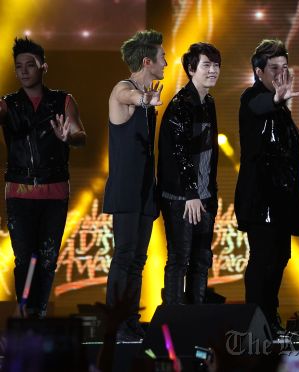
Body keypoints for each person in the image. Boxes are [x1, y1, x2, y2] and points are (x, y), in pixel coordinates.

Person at [0, 37, 86, 318]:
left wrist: (68, 137)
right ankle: (26, 314)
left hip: (54, 193)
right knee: (25, 261)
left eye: (30, 65)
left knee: (47, 260)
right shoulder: (7, 104)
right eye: (19, 67)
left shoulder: (63, 100)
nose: (24, 71)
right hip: (19, 193)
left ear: (43, 66)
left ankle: (40, 313)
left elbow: (80, 136)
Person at [234, 39, 299, 340]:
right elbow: (259, 105)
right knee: (263, 258)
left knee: (280, 257)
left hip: (281, 196)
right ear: (259, 70)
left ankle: (269, 318)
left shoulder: (282, 108)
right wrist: (276, 100)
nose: (281, 74)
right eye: (274, 68)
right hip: (260, 195)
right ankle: (257, 321)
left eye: (284, 68)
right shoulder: (252, 97)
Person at [103, 29, 166, 341]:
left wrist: (149, 102)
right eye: (162, 57)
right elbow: (130, 97)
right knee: (125, 253)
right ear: (147, 61)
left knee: (138, 259)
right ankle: (114, 321)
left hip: (144, 189)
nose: (166, 62)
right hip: (126, 189)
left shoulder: (148, 99)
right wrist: (145, 99)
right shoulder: (122, 90)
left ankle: (129, 320)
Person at [158, 42, 220, 305]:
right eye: (207, 65)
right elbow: (178, 154)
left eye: (217, 65)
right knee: (179, 260)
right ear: (191, 69)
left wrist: (208, 194)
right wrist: (190, 193)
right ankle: (174, 321)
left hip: (204, 197)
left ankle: (196, 319)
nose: (213, 70)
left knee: (201, 261)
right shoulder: (180, 104)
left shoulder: (209, 103)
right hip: (181, 198)